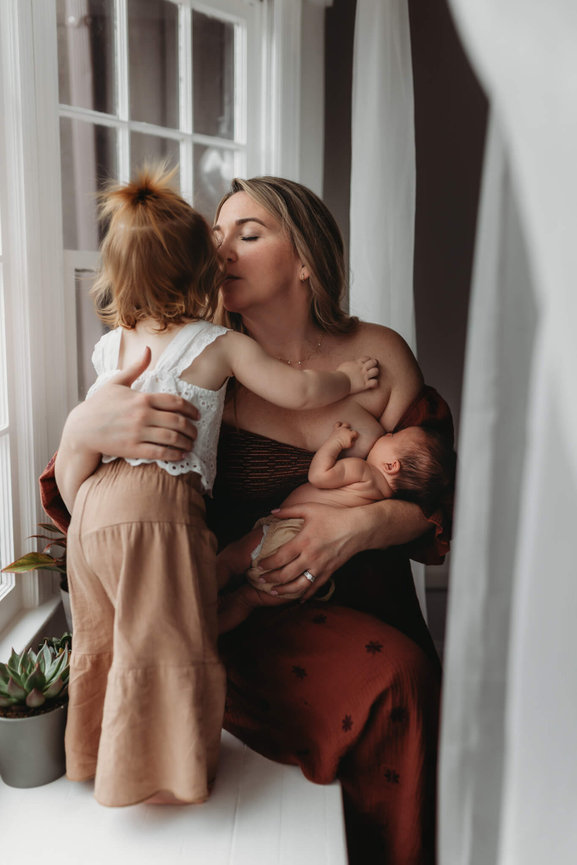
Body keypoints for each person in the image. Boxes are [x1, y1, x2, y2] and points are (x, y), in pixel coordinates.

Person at [40, 175, 454, 863]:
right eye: (218, 232)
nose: (222, 246)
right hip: (238, 612)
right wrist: (84, 431)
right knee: (390, 678)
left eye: (249, 232)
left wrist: (356, 526)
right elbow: (100, 509)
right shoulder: (197, 361)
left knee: (406, 682)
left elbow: (429, 482)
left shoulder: (377, 355)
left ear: (305, 260)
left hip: (364, 597)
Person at [217, 420, 455, 633]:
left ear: (391, 465)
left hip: (288, 534)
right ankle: (210, 633)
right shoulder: (385, 498)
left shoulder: (365, 472)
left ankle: (190, 610)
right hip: (302, 574)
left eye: (392, 437)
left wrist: (336, 441)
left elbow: (319, 476)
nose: (387, 434)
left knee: (228, 561)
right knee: (243, 601)